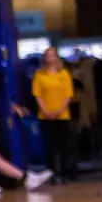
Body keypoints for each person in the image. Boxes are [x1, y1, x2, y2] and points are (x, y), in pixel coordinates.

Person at [33, 46, 76, 182]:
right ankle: (51, 174)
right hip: (45, 116)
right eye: (47, 56)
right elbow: (37, 95)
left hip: (62, 116)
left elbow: (68, 95)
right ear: (44, 58)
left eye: (52, 55)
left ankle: (63, 173)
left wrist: (59, 111)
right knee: (50, 146)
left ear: (57, 57)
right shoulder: (39, 75)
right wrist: (46, 111)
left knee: (64, 146)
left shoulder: (64, 74)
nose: (50, 58)